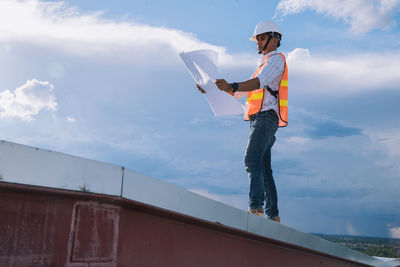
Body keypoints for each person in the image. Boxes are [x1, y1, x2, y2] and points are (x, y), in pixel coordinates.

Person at [196, 21, 288, 223]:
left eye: (262, 38)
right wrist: (212, 88)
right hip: (260, 119)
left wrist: (233, 85)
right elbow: (239, 93)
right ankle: (273, 216)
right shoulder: (263, 64)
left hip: (265, 118)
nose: (258, 43)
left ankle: (256, 209)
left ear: (275, 40)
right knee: (263, 167)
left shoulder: (275, 60)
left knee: (251, 160)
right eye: (257, 39)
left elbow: (258, 83)